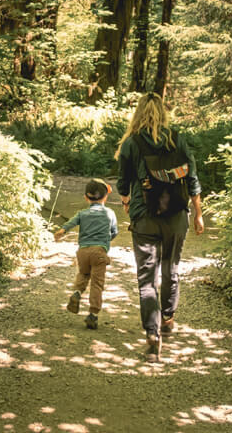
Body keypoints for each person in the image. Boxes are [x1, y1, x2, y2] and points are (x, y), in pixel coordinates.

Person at [115, 93, 204, 362]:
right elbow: (192, 178)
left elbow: (123, 182)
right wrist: (198, 214)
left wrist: (127, 200)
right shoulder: (177, 139)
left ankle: (152, 336)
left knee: (147, 278)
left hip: (145, 217)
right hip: (176, 215)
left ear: (138, 113)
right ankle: (168, 318)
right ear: (163, 113)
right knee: (171, 268)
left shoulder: (132, 143)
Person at [54, 178, 119, 330]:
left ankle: (77, 292)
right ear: (106, 197)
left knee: (83, 275)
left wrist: (61, 231)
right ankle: (93, 315)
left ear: (85, 197)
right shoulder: (109, 213)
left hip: (82, 252)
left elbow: (70, 223)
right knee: (97, 283)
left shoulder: (82, 213)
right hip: (99, 252)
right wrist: (105, 240)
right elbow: (114, 232)